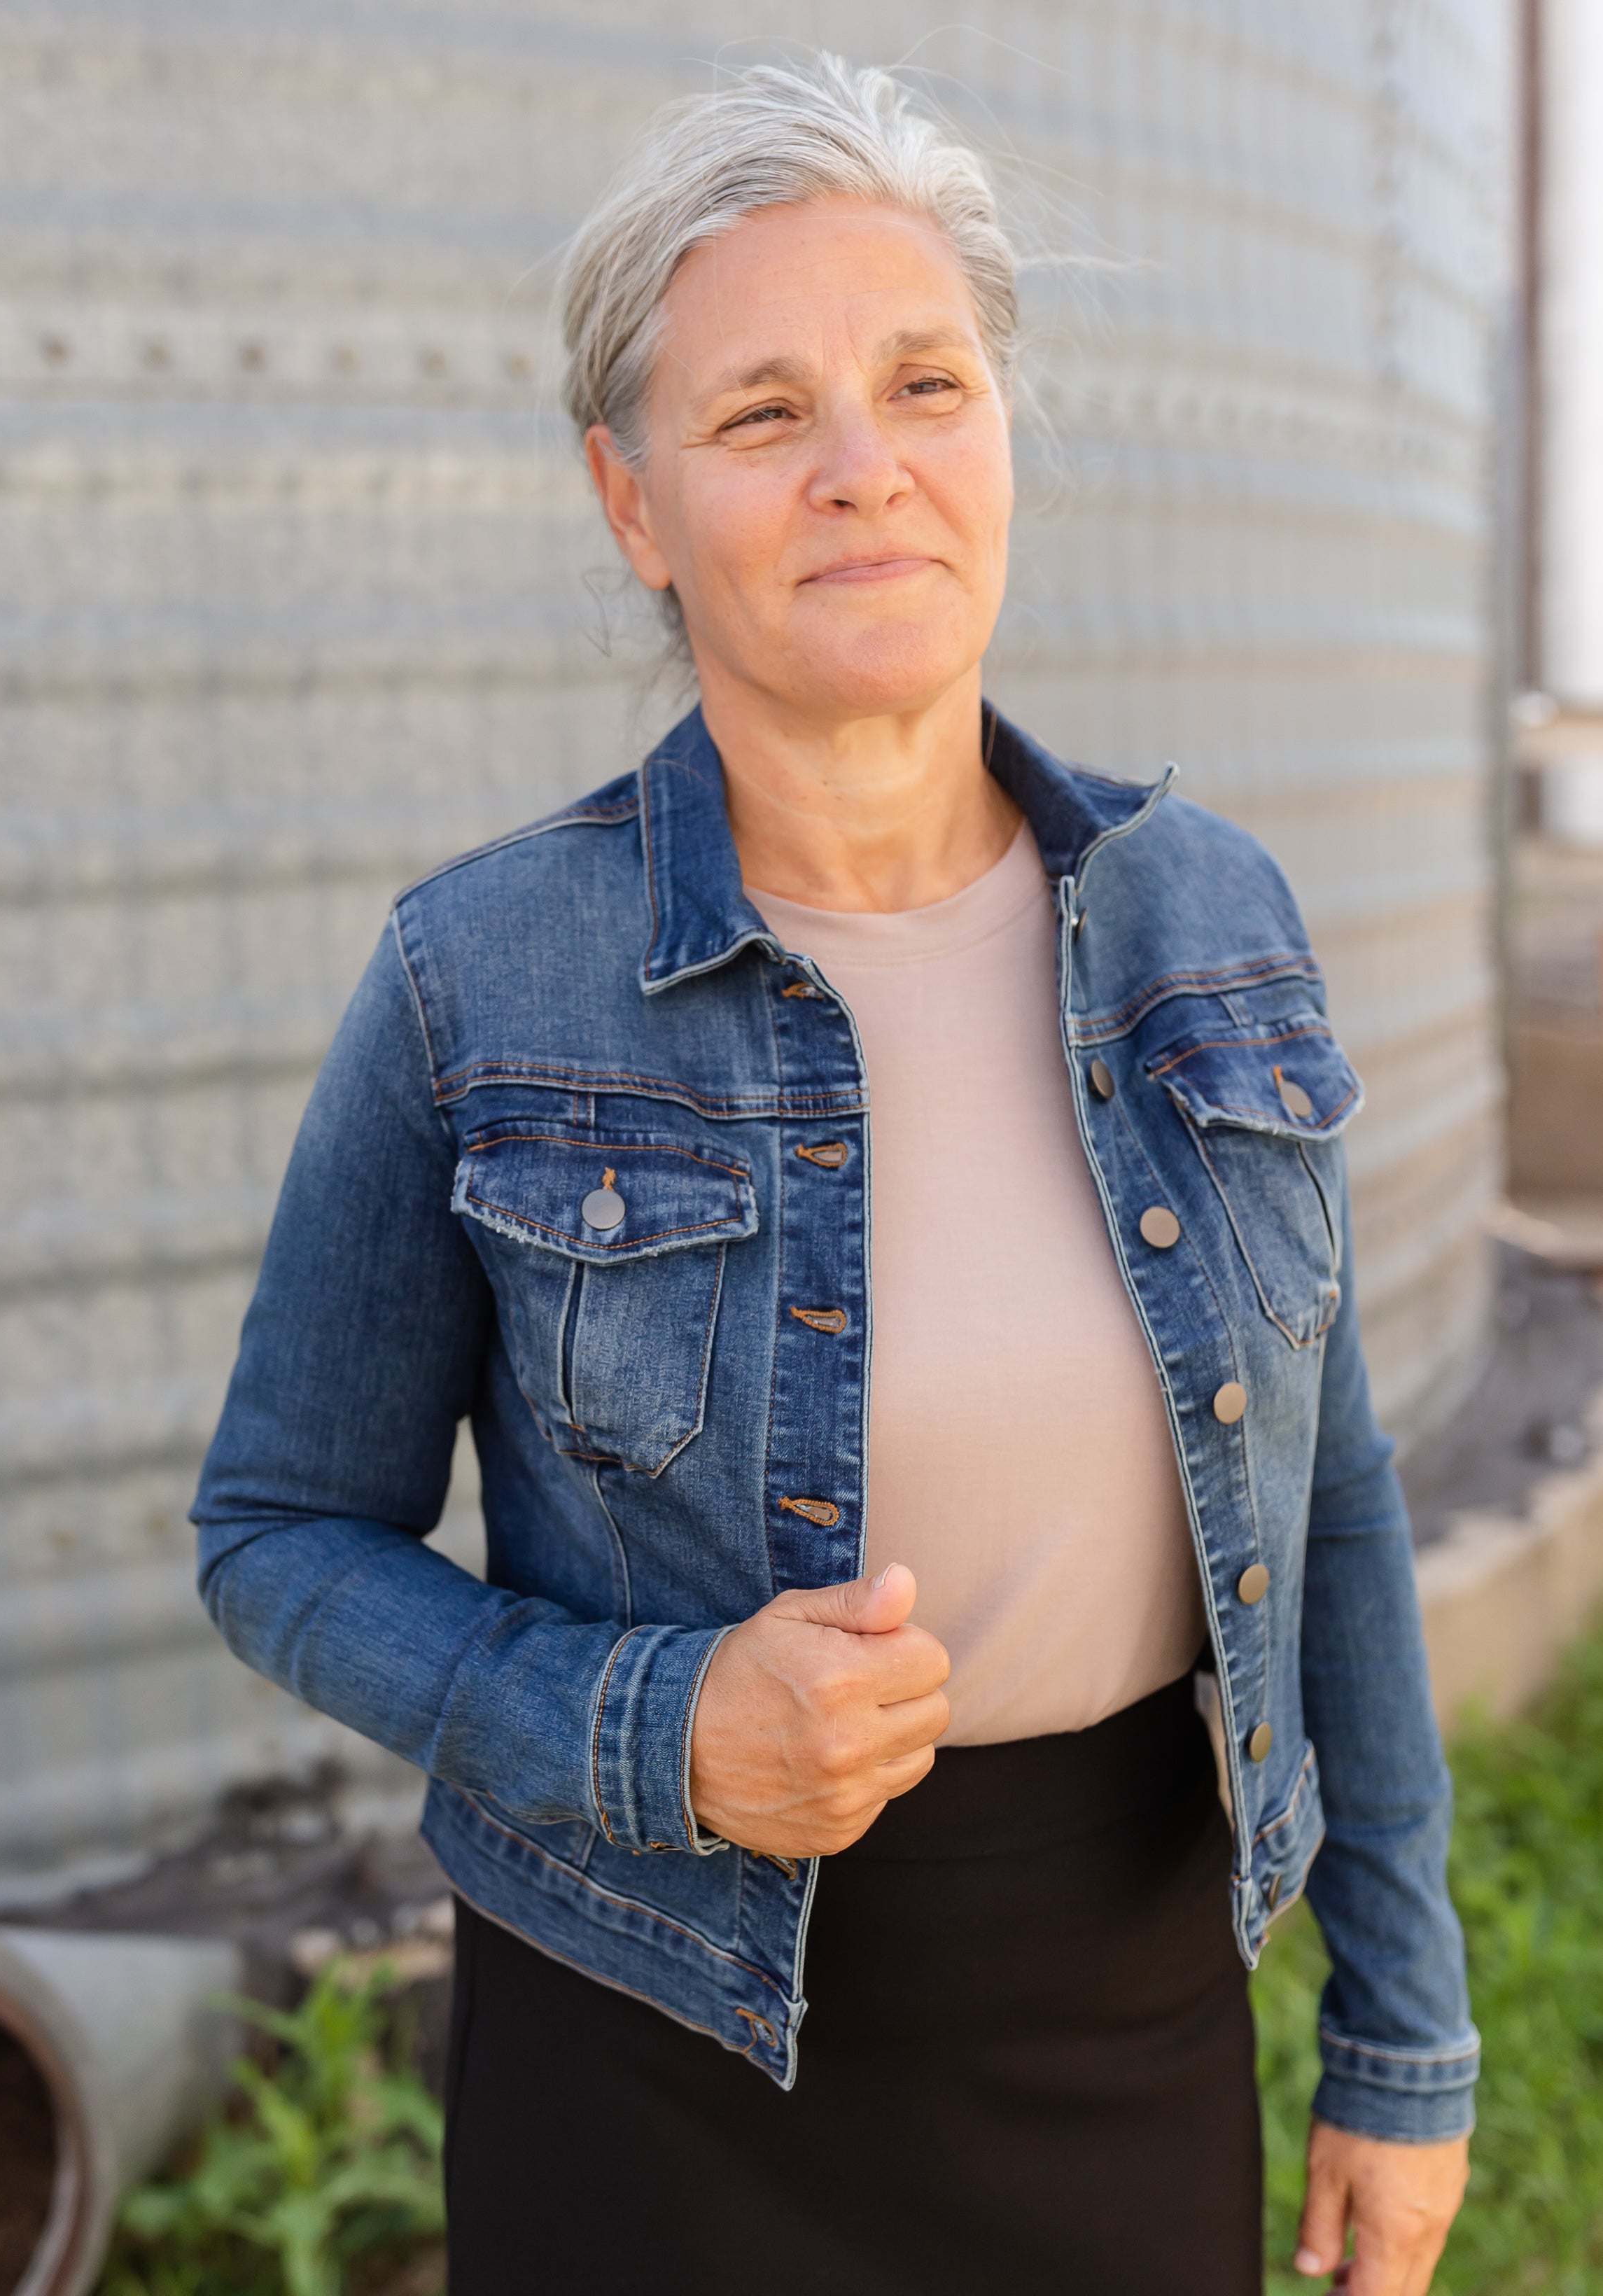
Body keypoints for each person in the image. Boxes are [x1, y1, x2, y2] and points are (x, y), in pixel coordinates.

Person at [195, 55, 1476, 2296]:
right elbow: (279, 1533)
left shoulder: (1215, 920)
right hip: (658, 2040)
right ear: (632, 498)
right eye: (762, 413)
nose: (866, 470)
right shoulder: (482, 976)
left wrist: (1408, 2035)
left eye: (922, 382)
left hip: (1128, 2013)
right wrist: (651, 1724)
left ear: (1003, 429)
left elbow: (1332, 1490)